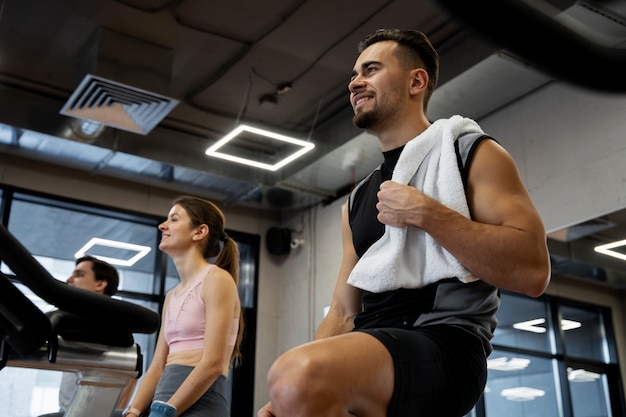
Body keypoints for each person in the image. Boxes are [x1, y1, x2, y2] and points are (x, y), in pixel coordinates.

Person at [257, 28, 551, 417]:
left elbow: (533, 271)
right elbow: (344, 312)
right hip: (374, 340)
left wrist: (426, 214)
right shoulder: (359, 199)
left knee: (296, 375)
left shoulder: (472, 153)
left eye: (371, 69)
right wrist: (288, 395)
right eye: (353, 75)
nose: (355, 82)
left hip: (446, 343)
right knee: (287, 386)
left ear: (417, 81)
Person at [122, 195, 243, 417]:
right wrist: (135, 410)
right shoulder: (172, 295)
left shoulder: (217, 279)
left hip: (200, 402)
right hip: (166, 398)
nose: (162, 225)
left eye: (174, 219)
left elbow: (214, 363)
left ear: (200, 232)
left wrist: (166, 410)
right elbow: (158, 365)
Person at [40, 255, 135, 417]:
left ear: (100, 283)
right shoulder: (70, 321)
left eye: (79, 275)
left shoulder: (113, 326)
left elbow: (132, 376)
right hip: (68, 411)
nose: (69, 279)